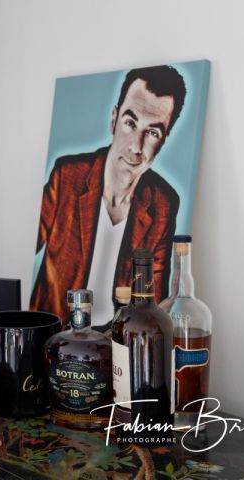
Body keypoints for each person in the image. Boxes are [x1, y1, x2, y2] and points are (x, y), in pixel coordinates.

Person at [30, 66, 186, 326]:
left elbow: (154, 306)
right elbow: (22, 248)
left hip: (117, 342)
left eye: (153, 132)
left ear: (163, 141)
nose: (136, 146)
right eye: (130, 123)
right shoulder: (67, 176)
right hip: (56, 337)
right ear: (114, 120)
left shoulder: (163, 203)